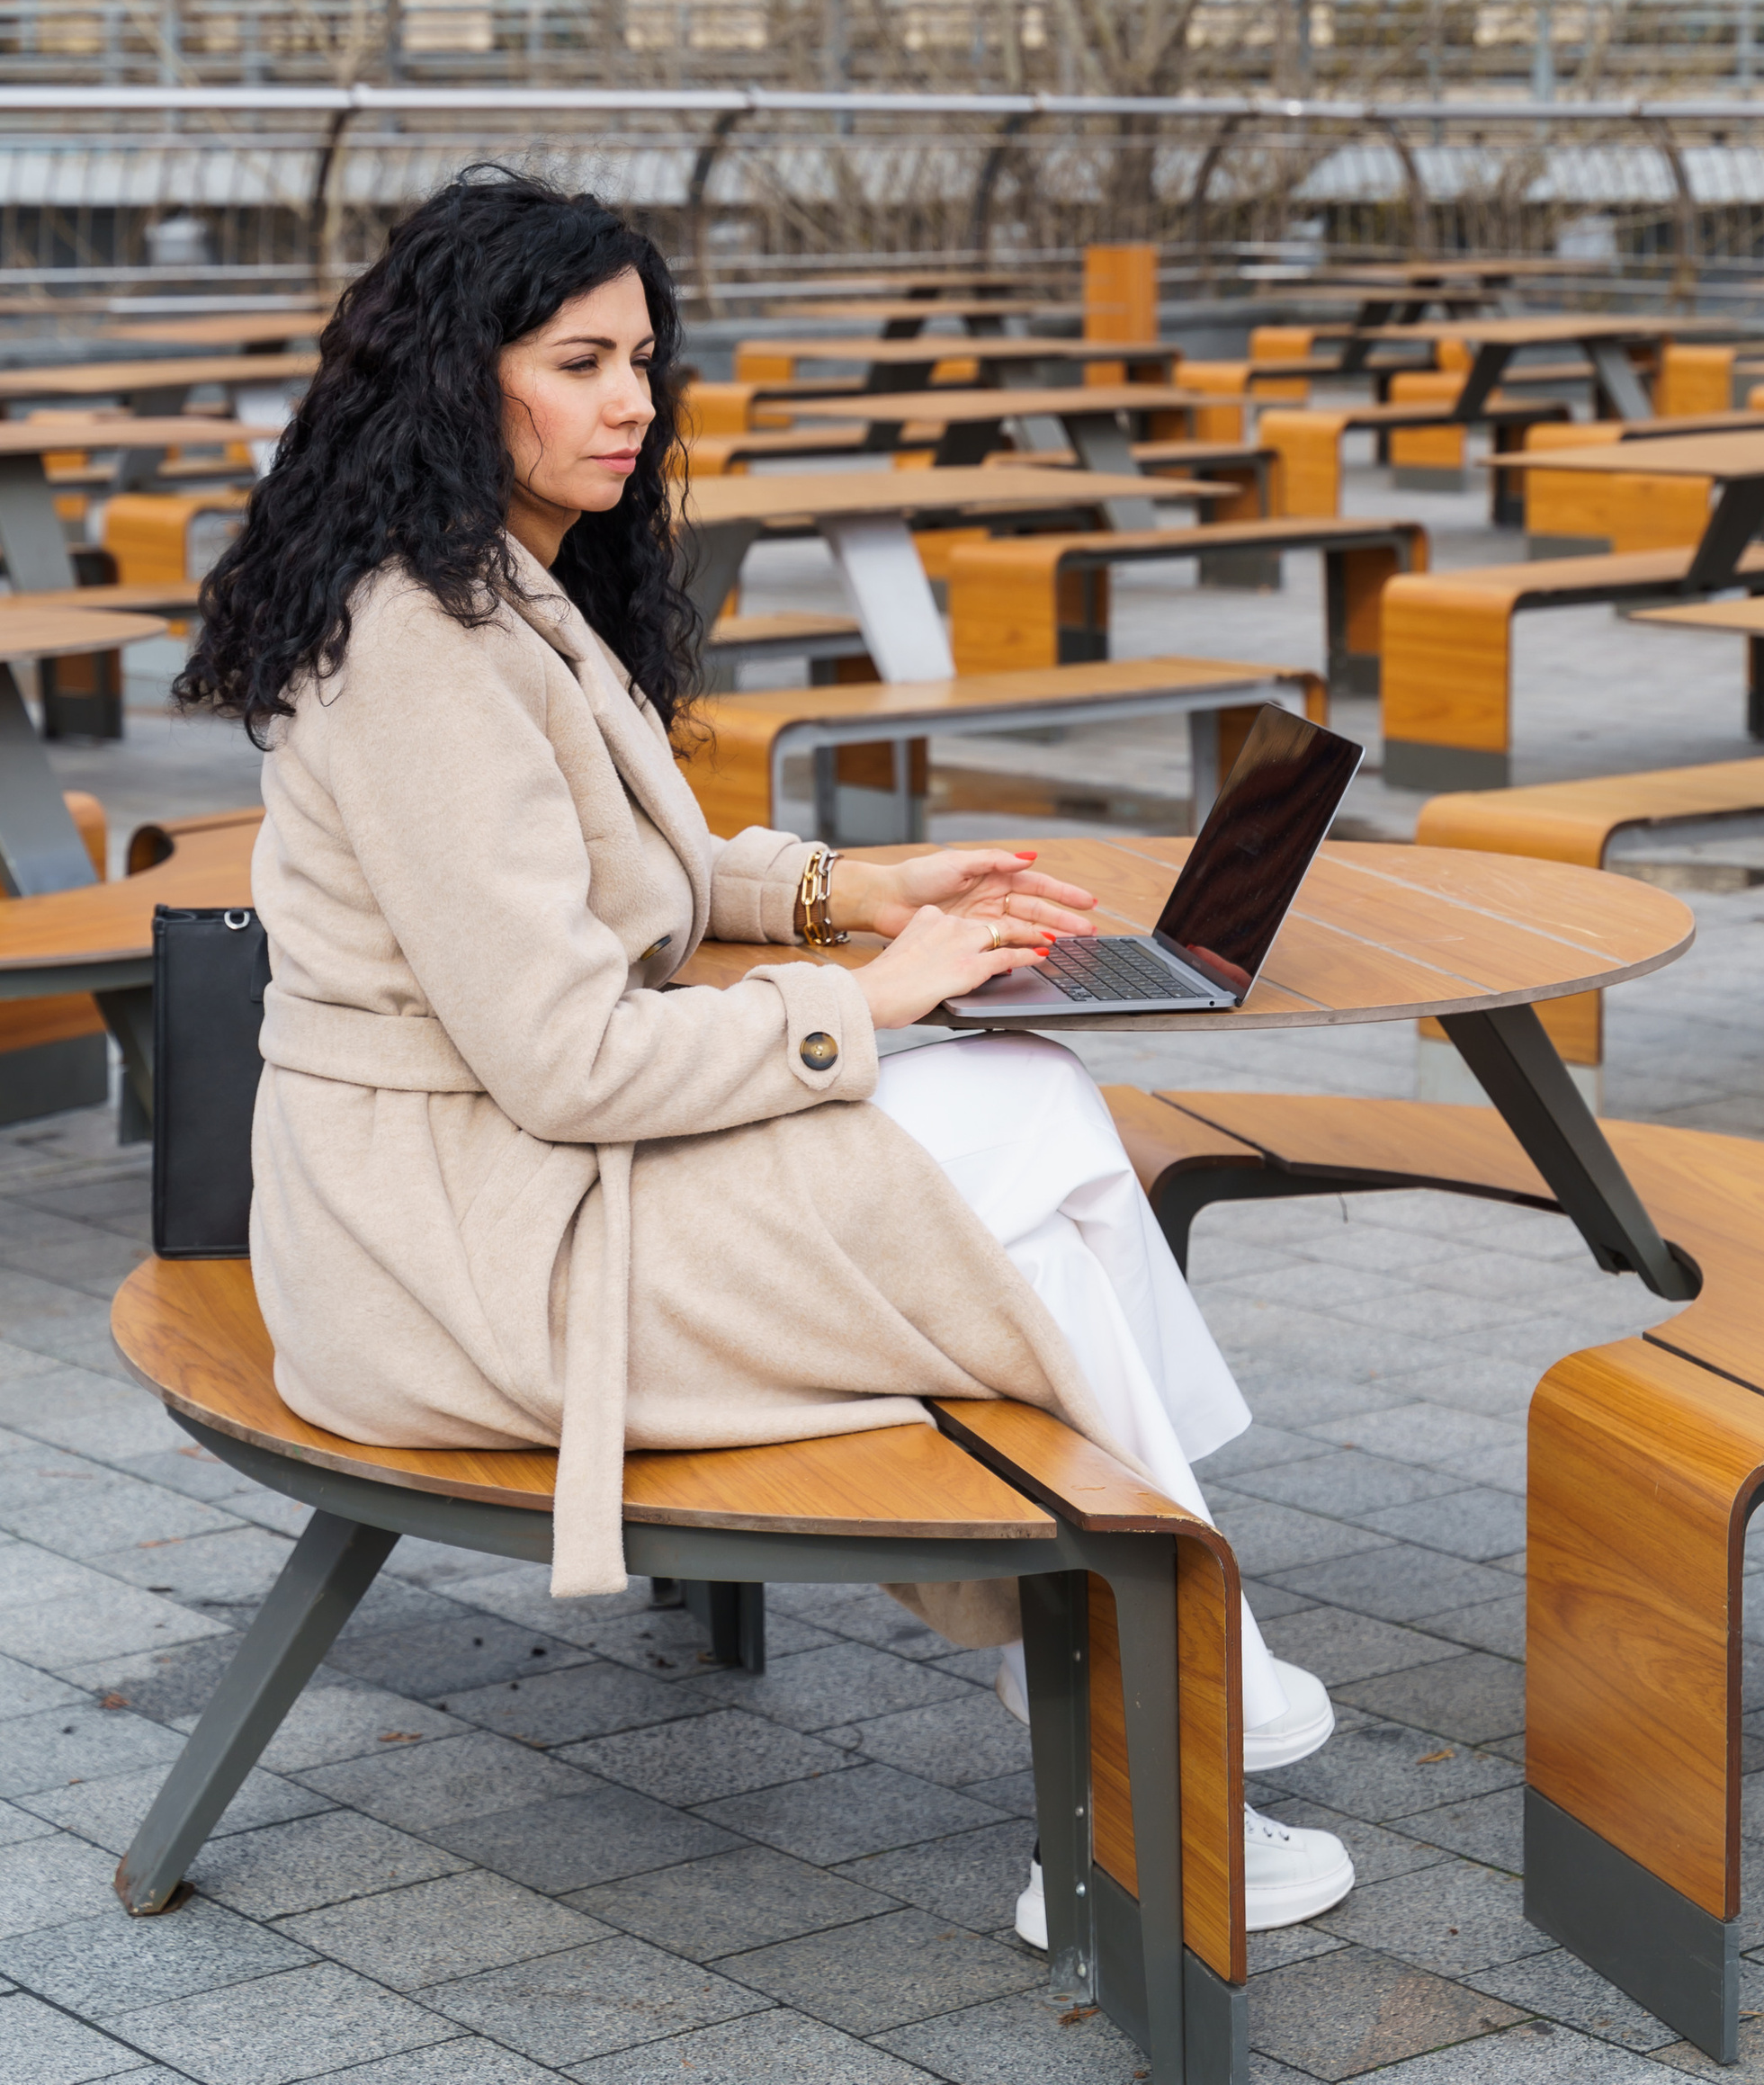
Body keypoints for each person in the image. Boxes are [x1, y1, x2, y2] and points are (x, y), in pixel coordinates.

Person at [181, 167, 1351, 1940]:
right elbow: (568, 1059)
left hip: (513, 1179)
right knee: (1025, 1166)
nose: (632, 405)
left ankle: (1155, 1719)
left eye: (642, 361)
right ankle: (1164, 1743)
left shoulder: (493, 587)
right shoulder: (421, 644)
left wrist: (853, 892)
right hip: (451, 1247)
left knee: (1033, 1130)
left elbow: (608, 865)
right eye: (578, 363)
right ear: (455, 377)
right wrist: (869, 1002)